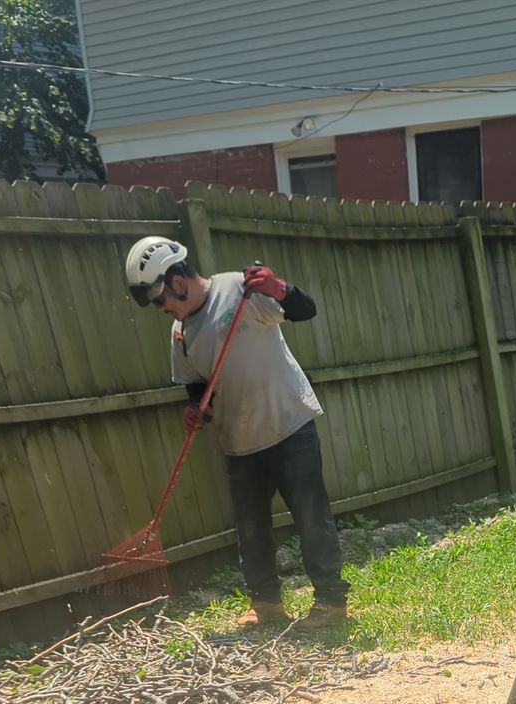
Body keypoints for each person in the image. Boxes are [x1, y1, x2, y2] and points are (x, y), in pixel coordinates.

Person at [124, 236, 349, 629]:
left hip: (289, 425)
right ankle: (266, 606)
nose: (162, 310)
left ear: (177, 280)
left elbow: (305, 310)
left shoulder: (242, 290)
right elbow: (197, 386)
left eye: (160, 299)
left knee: (312, 516)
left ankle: (331, 603)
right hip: (239, 444)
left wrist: (281, 289)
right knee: (250, 529)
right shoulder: (180, 334)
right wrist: (197, 410)